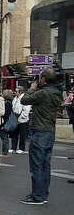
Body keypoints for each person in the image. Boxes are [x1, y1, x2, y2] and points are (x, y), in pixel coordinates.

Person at [20, 68, 62, 205]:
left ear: (43, 78)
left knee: (36, 165)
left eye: (39, 77)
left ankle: (37, 196)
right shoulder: (56, 92)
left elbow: (24, 100)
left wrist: (32, 88)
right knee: (45, 165)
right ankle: (43, 194)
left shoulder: (43, 93)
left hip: (39, 131)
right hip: (49, 131)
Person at [11, 85, 31, 154]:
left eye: (16, 91)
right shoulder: (15, 98)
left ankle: (21, 148)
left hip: (22, 120)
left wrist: (21, 117)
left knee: (22, 135)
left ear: (20, 92)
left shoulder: (25, 98)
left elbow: (26, 110)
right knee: (14, 134)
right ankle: (13, 147)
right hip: (15, 118)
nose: (15, 92)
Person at [0, 89, 14, 156]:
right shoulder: (9, 102)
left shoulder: (7, 103)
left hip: (5, 122)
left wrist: (3, 124)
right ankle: (5, 151)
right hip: (5, 121)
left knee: (4, 137)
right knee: (4, 137)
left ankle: (5, 152)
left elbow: (6, 114)